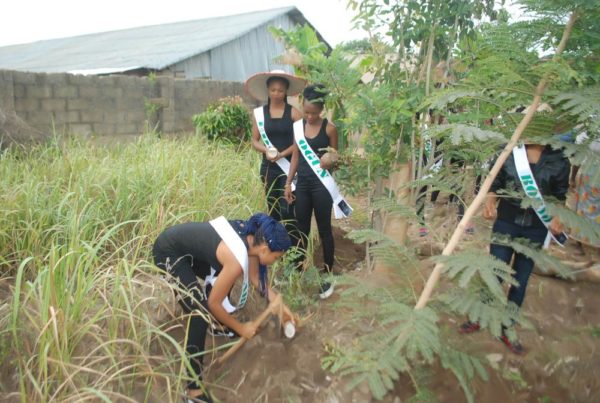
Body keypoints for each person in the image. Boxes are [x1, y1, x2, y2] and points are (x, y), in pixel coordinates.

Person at [152, 213, 295, 402]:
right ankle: (193, 391)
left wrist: (280, 305)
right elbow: (213, 303)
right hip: (168, 252)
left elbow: (255, 278)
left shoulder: (252, 240)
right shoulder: (236, 257)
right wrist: (241, 328)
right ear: (265, 249)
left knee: (222, 279)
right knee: (199, 313)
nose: (275, 262)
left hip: (191, 252)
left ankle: (217, 326)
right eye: (276, 258)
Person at [459, 140, 570, 355]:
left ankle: (507, 327)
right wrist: (490, 204)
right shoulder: (509, 151)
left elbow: (559, 196)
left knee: (520, 280)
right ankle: (479, 316)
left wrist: (557, 218)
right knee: (496, 273)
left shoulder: (559, 158)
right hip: (506, 223)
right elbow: (496, 184)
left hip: (535, 229)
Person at [284, 84, 352, 300]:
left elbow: (337, 158)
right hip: (301, 185)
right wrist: (288, 183)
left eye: (314, 112)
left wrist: (331, 159)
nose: (310, 116)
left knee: (324, 230)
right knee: (300, 229)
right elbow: (295, 155)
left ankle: (327, 273)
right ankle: (297, 269)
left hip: (322, 186)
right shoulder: (298, 127)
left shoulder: (330, 129)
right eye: (307, 112)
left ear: (322, 109)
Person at [245, 70, 305, 238]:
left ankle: (293, 247)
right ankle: (274, 245)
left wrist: (281, 154)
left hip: (290, 168)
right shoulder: (259, 114)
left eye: (280, 90)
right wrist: (267, 151)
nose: (276, 93)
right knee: (273, 209)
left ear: (286, 91)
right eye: (273, 90)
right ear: (268, 90)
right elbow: (255, 141)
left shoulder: (294, 113)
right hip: (268, 169)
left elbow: (299, 144)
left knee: (288, 209)